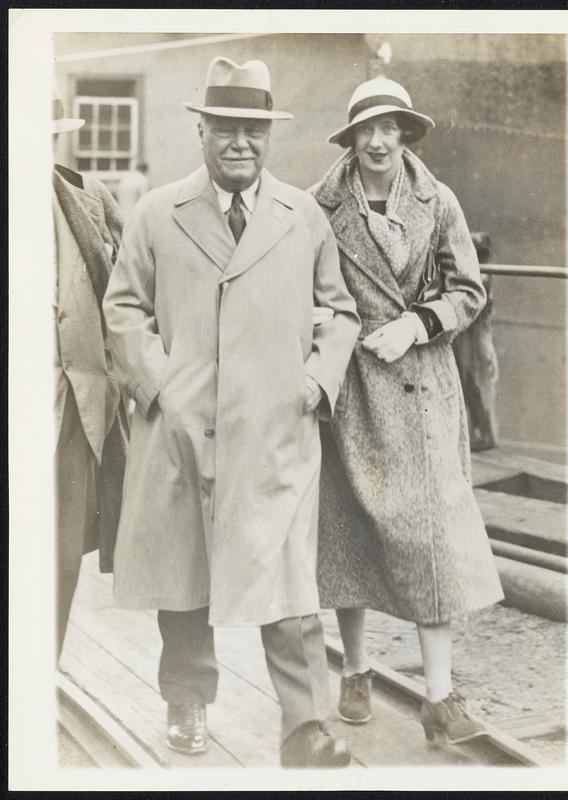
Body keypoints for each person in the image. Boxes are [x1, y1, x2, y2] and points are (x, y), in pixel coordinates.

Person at [103, 57, 360, 767]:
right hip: (183, 431)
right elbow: (122, 308)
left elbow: (339, 313)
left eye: (253, 129)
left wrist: (316, 381)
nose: (240, 143)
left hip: (275, 429)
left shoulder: (301, 214)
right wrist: (159, 388)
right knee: (183, 578)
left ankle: (305, 726)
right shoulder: (158, 212)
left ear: (267, 134)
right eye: (226, 130)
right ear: (202, 132)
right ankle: (187, 703)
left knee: (289, 583)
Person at [310, 77, 504, 744]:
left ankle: (440, 698)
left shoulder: (438, 201)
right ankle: (356, 672)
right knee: (349, 533)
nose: (377, 141)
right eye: (366, 129)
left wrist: (419, 325)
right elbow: (307, 294)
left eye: (389, 127)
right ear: (351, 138)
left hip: (422, 384)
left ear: (406, 133)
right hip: (354, 388)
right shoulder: (320, 206)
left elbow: (469, 291)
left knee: (432, 540)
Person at [52, 88, 128, 658]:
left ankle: (37, 681)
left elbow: (129, 286)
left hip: (72, 411)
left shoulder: (86, 199)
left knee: (57, 560)